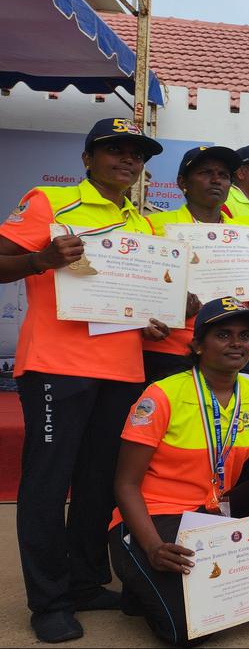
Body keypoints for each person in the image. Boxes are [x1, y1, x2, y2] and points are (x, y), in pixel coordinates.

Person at [0, 118, 168, 642]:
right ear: (88, 158)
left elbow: (142, 301)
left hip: (122, 369)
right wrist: (40, 259)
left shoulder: (145, 224)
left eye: (136, 154)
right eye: (114, 150)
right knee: (49, 483)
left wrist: (154, 316)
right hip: (56, 365)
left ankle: (86, 580)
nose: (127, 160)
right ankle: (48, 601)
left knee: (98, 483)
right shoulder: (50, 201)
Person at [109, 297, 249, 646]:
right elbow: (125, 484)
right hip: (159, 516)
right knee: (187, 632)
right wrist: (154, 546)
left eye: (245, 335)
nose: (237, 343)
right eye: (223, 334)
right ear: (198, 345)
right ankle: (142, 572)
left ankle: (184, 580)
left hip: (215, 511)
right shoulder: (162, 395)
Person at [144, 145, 244, 383]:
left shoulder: (247, 235)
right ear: (182, 182)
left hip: (233, 351)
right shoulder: (152, 226)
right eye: (205, 172)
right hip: (170, 347)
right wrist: (170, 305)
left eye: (223, 175)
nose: (216, 180)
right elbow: (139, 285)